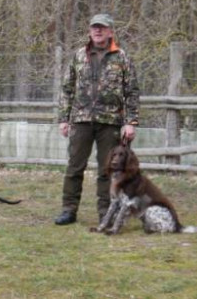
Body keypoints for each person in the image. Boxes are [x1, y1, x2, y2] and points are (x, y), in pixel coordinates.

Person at [54, 13, 139, 225]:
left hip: (110, 121)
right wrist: (64, 119)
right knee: (74, 167)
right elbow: (67, 89)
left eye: (102, 27)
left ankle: (105, 213)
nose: (97, 31)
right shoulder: (79, 56)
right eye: (94, 27)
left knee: (106, 170)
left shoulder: (122, 57)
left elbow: (132, 92)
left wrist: (130, 122)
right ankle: (69, 210)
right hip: (81, 120)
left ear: (110, 31)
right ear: (90, 31)